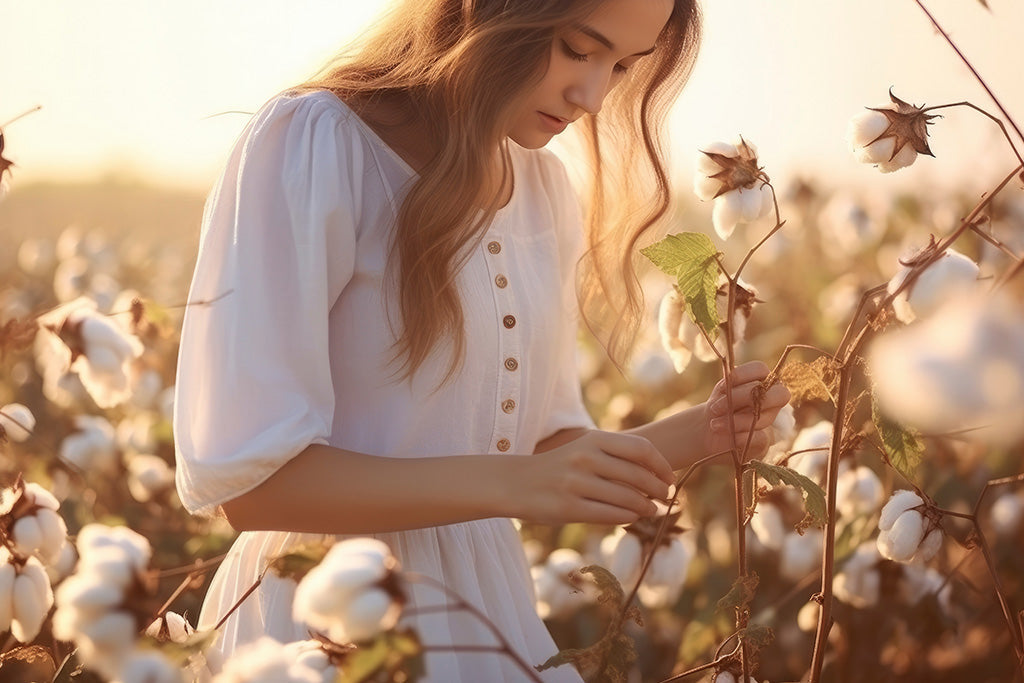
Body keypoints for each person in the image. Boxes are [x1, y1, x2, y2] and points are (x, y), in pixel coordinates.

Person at [172, 0, 791, 680]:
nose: (591, 95)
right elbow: (256, 486)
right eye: (578, 49)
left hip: (486, 617)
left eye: (620, 66)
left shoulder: (543, 192)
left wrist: (699, 434)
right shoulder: (313, 143)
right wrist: (516, 482)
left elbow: (540, 454)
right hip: (322, 619)